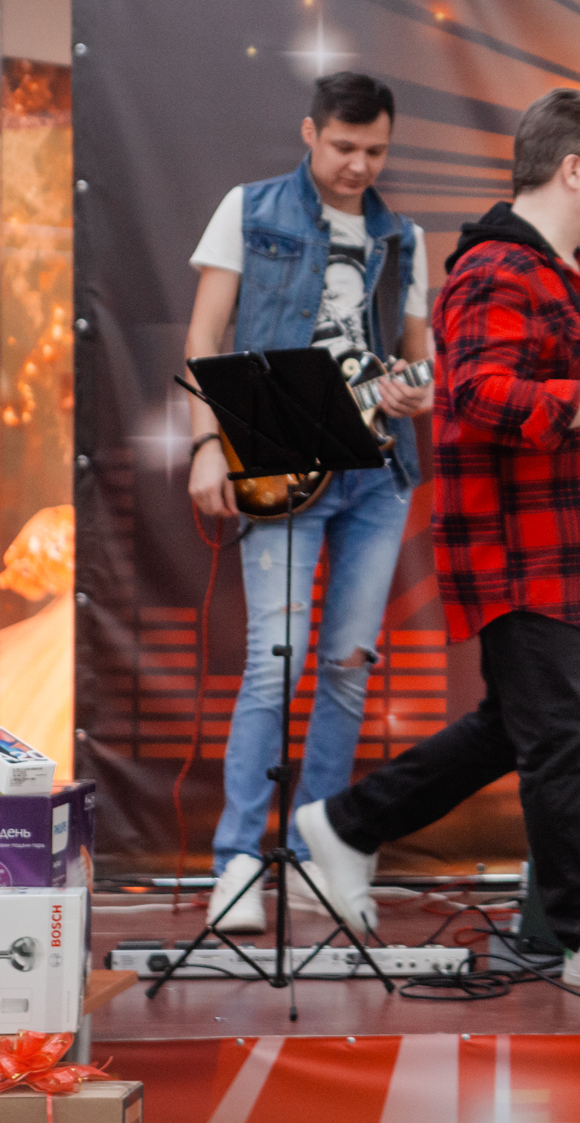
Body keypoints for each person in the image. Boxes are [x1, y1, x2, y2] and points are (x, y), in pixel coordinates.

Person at [295, 89, 580, 994]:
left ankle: (349, 823)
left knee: (516, 726)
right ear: (573, 170)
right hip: (519, 546)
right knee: (554, 732)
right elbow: (476, 392)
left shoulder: (573, 273)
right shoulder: (493, 271)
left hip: (568, 543)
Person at [184, 72, 434, 934]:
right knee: (274, 663)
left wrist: (416, 389)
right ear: (310, 133)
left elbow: (418, 358)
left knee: (347, 668)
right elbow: (203, 337)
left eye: (375, 150)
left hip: (377, 474)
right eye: (343, 147)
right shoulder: (249, 209)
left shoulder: (402, 236)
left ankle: (321, 852)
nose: (359, 165)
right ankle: (237, 861)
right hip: (279, 464)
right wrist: (207, 445)